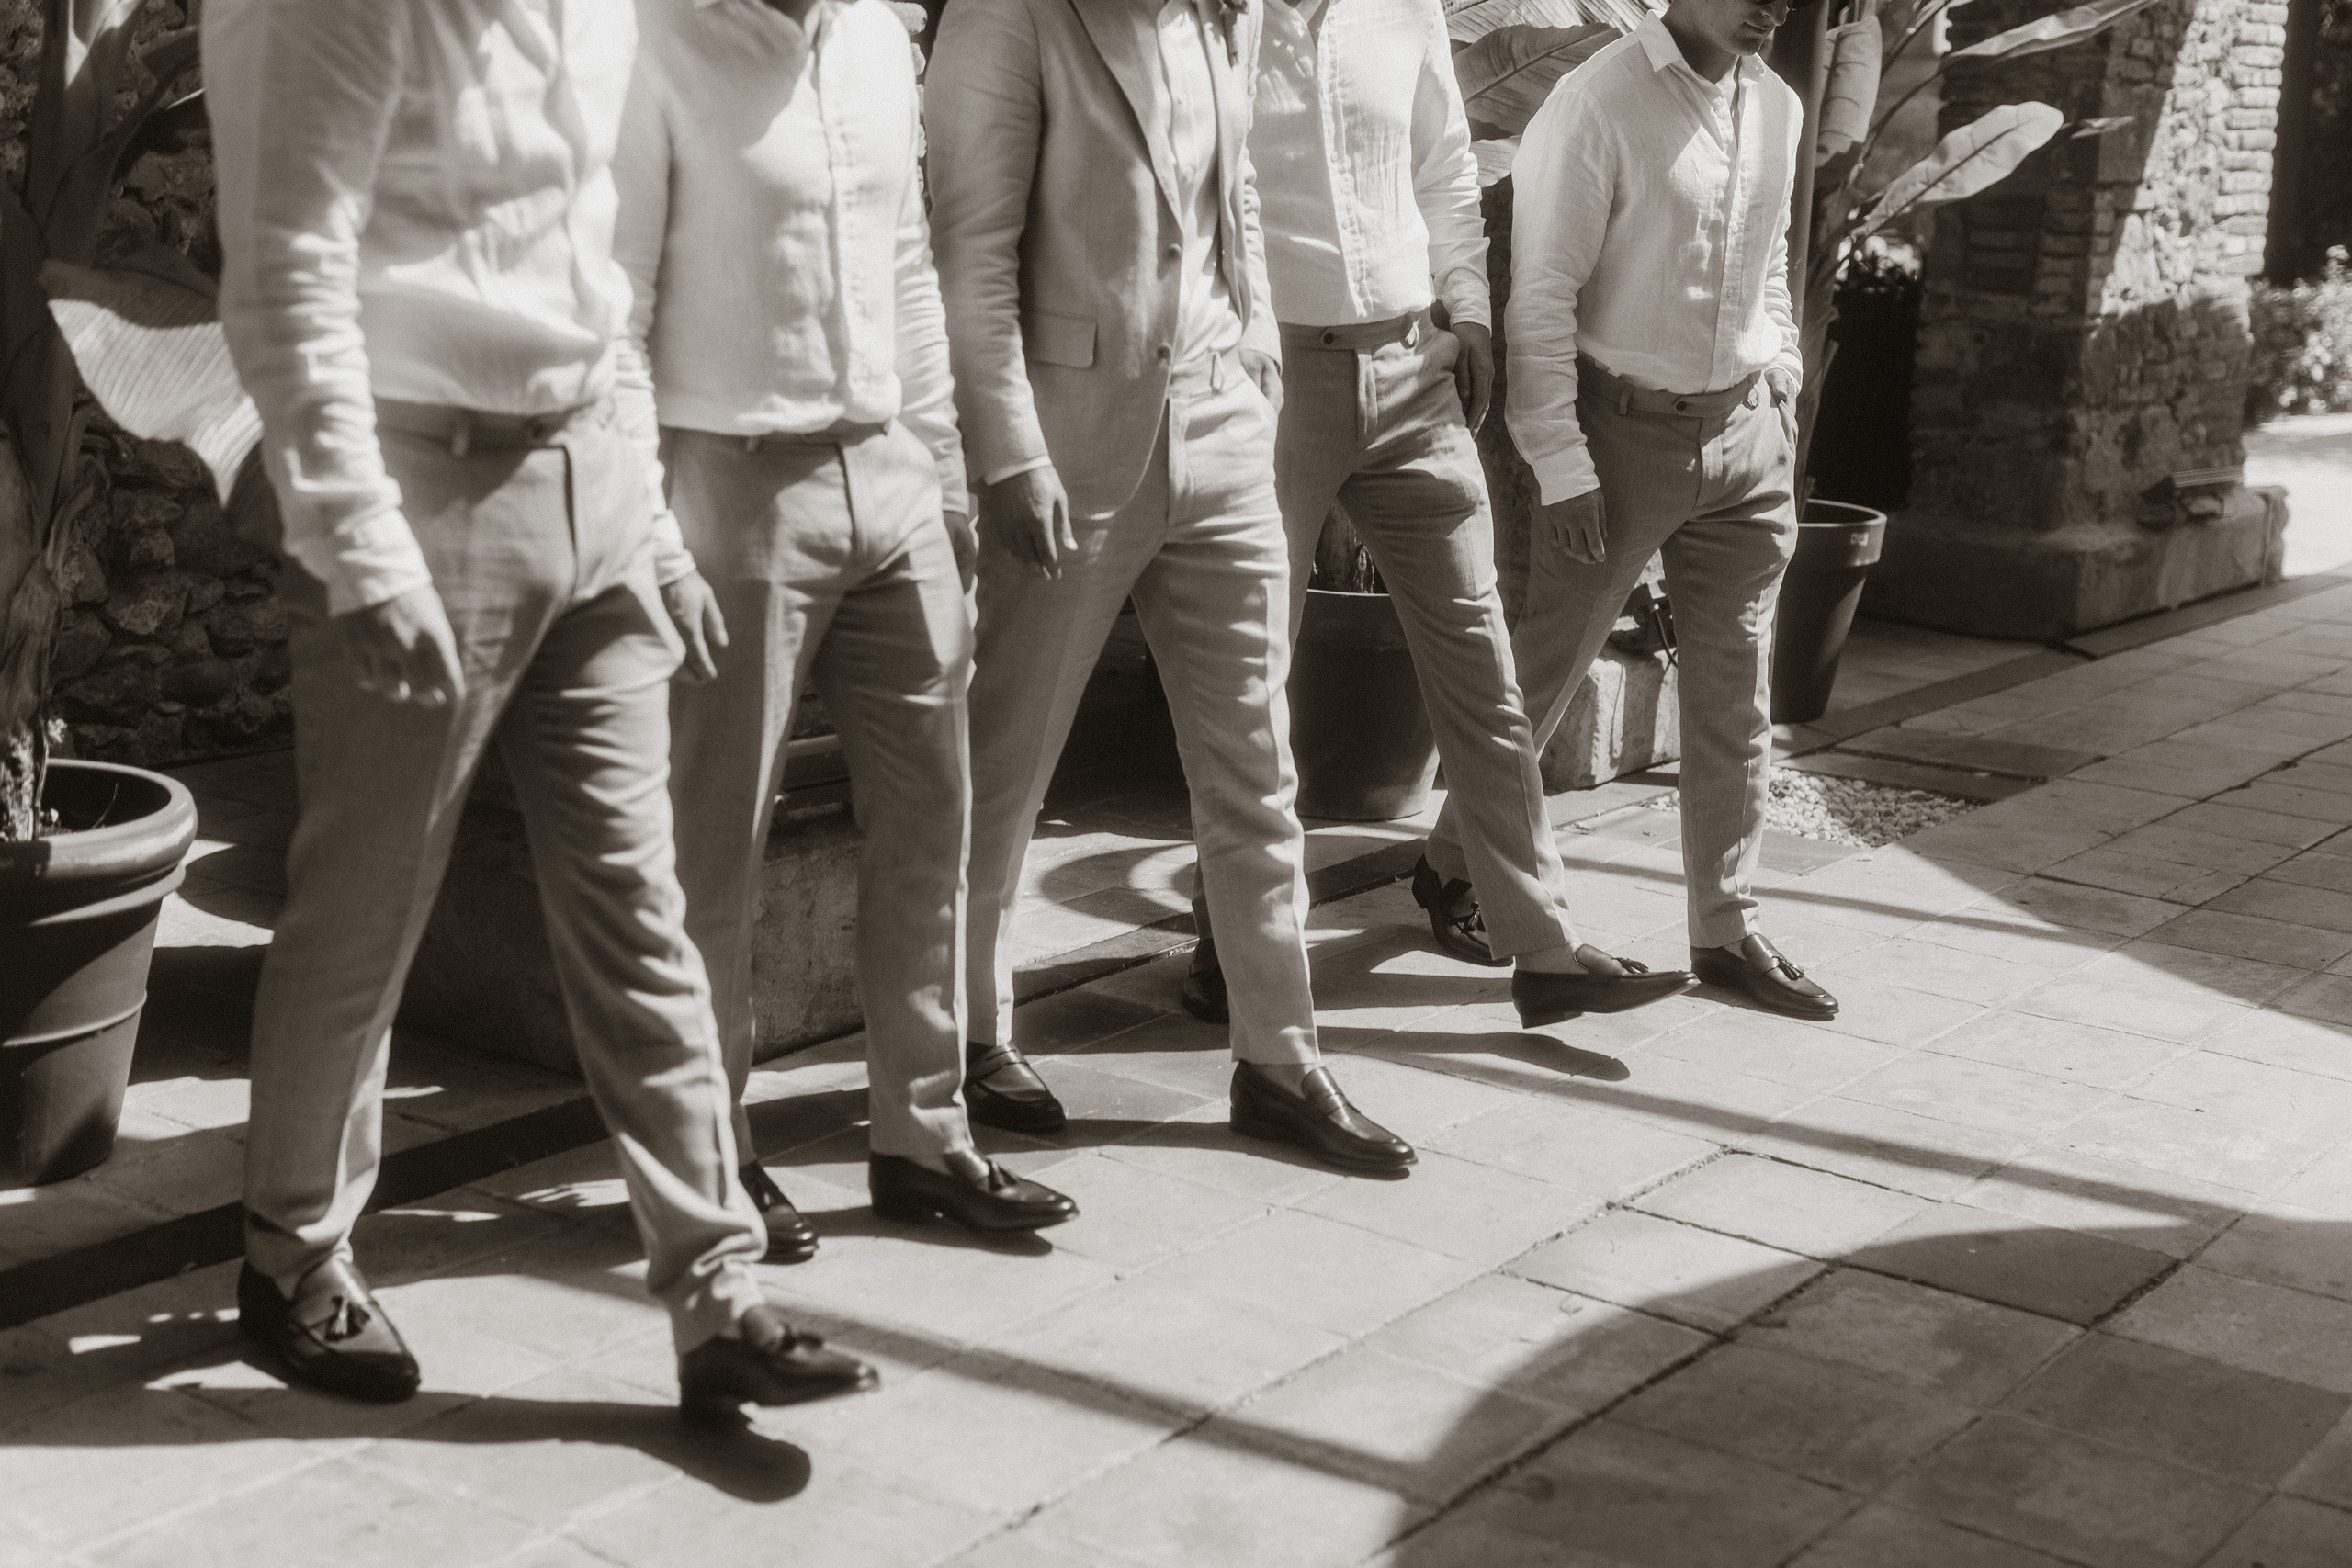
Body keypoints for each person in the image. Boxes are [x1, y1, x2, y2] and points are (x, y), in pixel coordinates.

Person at [208, 0, 873, 1421]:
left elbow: (594, 271)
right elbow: (286, 272)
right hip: (420, 487)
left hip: (593, 486)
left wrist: (647, 527)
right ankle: (294, 1253)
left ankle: (717, 1291)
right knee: (368, 905)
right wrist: (362, 545)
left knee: (642, 904)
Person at [613, 0, 1077, 1258]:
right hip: (729, 478)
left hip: (891, 474)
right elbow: (614, 309)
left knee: (932, 820)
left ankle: (923, 1137)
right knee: (714, 844)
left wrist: (940, 464)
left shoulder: (877, 31)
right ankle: (717, 1149)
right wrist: (654, 538)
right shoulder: (650, 38)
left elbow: (909, 266)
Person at [925, 0, 1413, 1172]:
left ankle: (1280, 1057)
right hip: (1069, 440)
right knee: (1008, 763)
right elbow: (971, 251)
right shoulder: (1008, 17)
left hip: (1226, 428)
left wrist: (1251, 361)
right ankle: (968, 1037)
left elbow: (1228, 199)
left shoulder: (1216, 16)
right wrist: (1008, 451)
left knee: (1256, 755)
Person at [1178, 0, 1692, 1031]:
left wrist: (1465, 308)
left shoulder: (1399, 8)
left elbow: (1444, 168)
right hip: (1277, 381)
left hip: (1415, 371)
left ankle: (1539, 945)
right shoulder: (1213, 22)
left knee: (1482, 667)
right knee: (1248, 684)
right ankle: (1230, 943)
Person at [1427, 0, 1841, 1022]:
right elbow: (1541, 297)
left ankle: (1727, 926)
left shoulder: (1778, 107)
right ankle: (1451, 866)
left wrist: (1779, 378)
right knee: (1544, 675)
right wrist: (1560, 464)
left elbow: (1770, 274)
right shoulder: (1596, 100)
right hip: (1619, 442)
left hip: (1747, 440)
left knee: (1736, 696)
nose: (1770, 5)